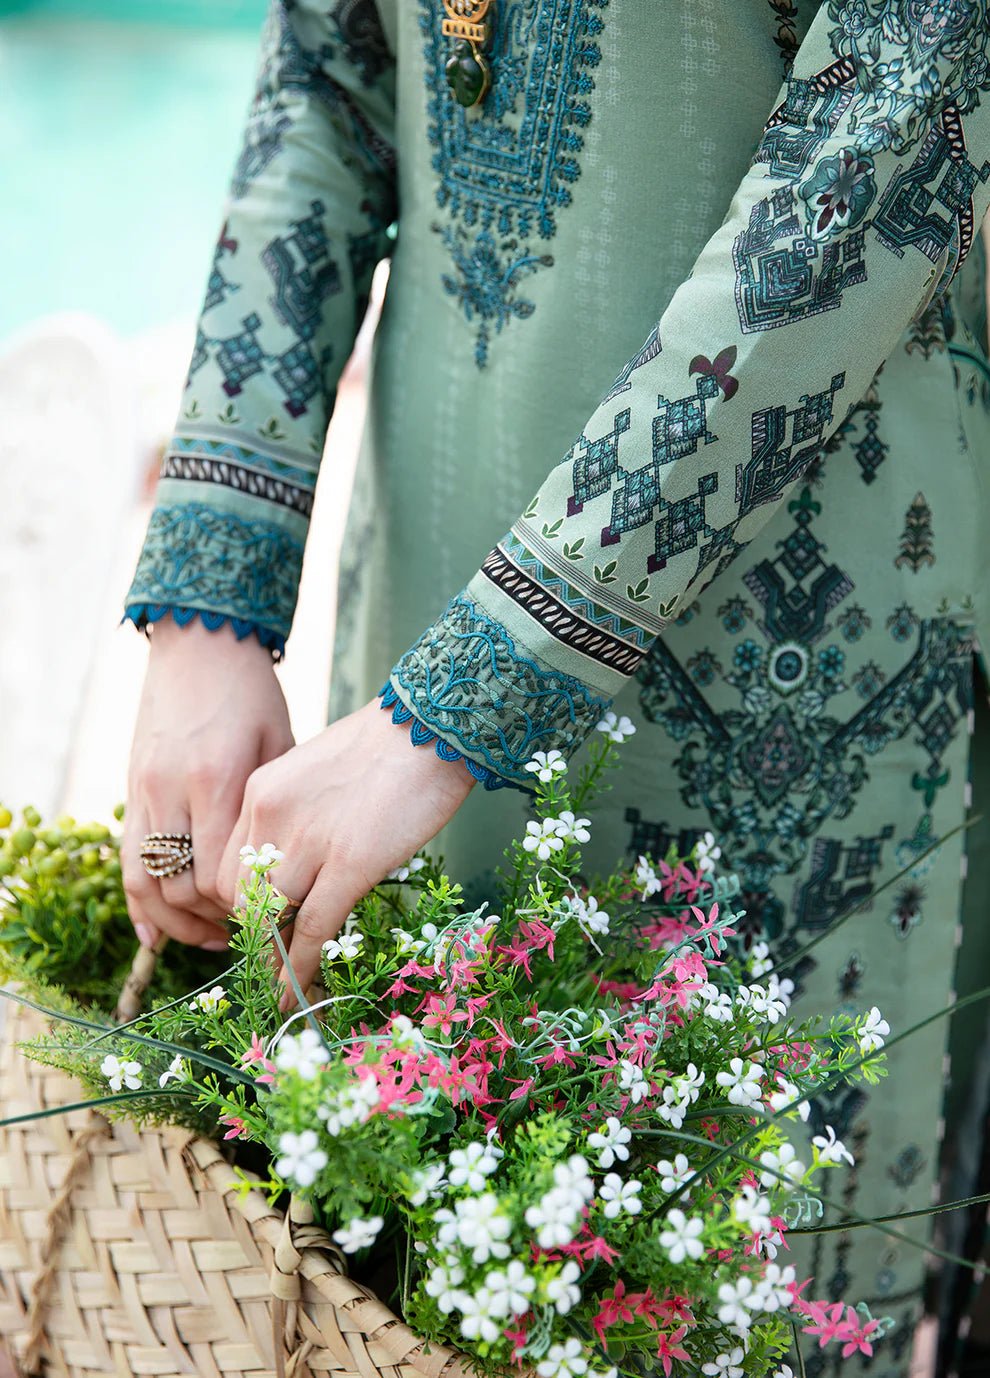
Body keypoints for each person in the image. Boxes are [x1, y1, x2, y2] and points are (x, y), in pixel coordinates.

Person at [121, 0, 990, 1370]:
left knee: (726, 1300)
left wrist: (461, 701)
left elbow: (877, 144)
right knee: (388, 1281)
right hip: (409, 628)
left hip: (780, 691)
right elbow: (329, 72)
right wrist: (207, 606)